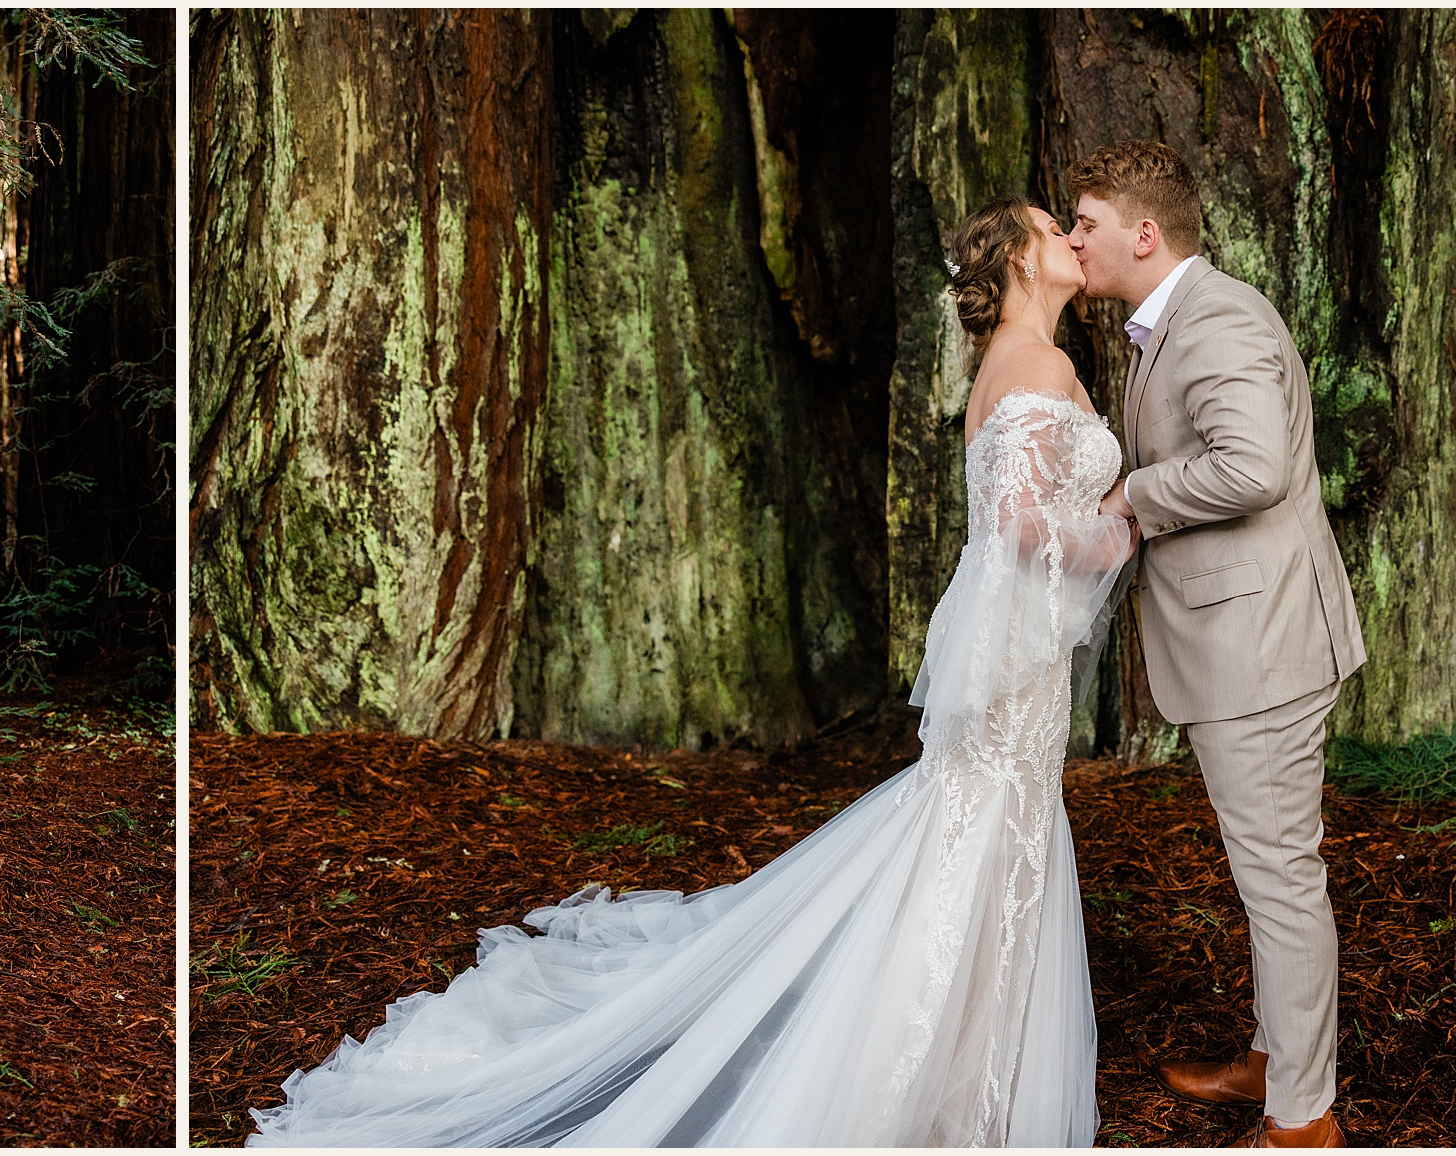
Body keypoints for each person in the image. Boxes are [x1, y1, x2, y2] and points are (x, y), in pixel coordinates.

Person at [247, 197, 1132, 1146]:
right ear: (1020, 262)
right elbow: (1019, 525)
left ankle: (962, 1069)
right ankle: (917, 1083)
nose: (1071, 239)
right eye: (1053, 227)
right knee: (978, 839)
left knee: (979, 837)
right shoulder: (1035, 363)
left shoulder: (1023, 363)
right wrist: (1124, 531)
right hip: (1011, 669)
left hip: (1014, 659)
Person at [1078, 140, 1367, 1149]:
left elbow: (1246, 468)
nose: (1074, 241)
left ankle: (1303, 1118)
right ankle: (1274, 1057)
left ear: (1143, 234)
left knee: (1281, 877)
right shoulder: (1175, 321)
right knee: (1266, 873)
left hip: (1264, 645)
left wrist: (1131, 497)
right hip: (1243, 635)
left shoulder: (1220, 320)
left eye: (1086, 223)